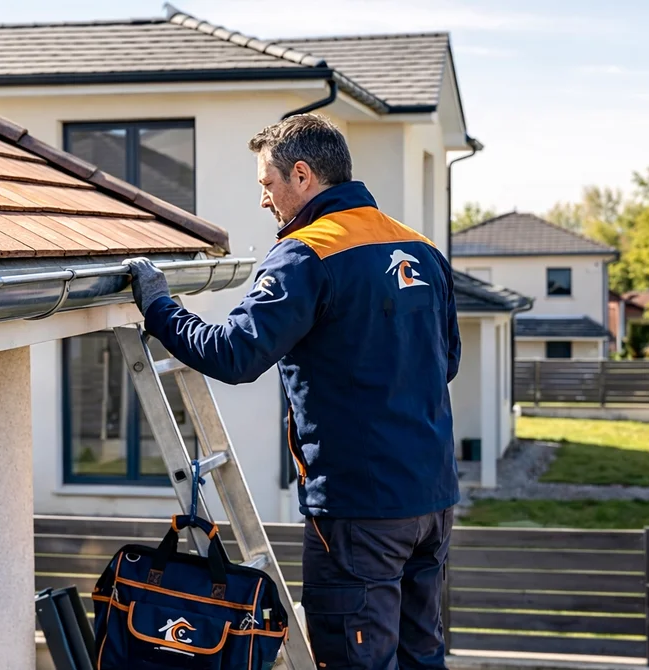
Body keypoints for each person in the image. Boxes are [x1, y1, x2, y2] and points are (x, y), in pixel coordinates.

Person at [123, 113, 460, 670]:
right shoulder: (420, 248)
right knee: (420, 656)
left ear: (301, 176)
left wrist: (159, 308)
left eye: (267, 184)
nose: (264, 200)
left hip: (358, 511)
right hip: (432, 502)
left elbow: (233, 354)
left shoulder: (307, 254)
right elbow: (444, 362)